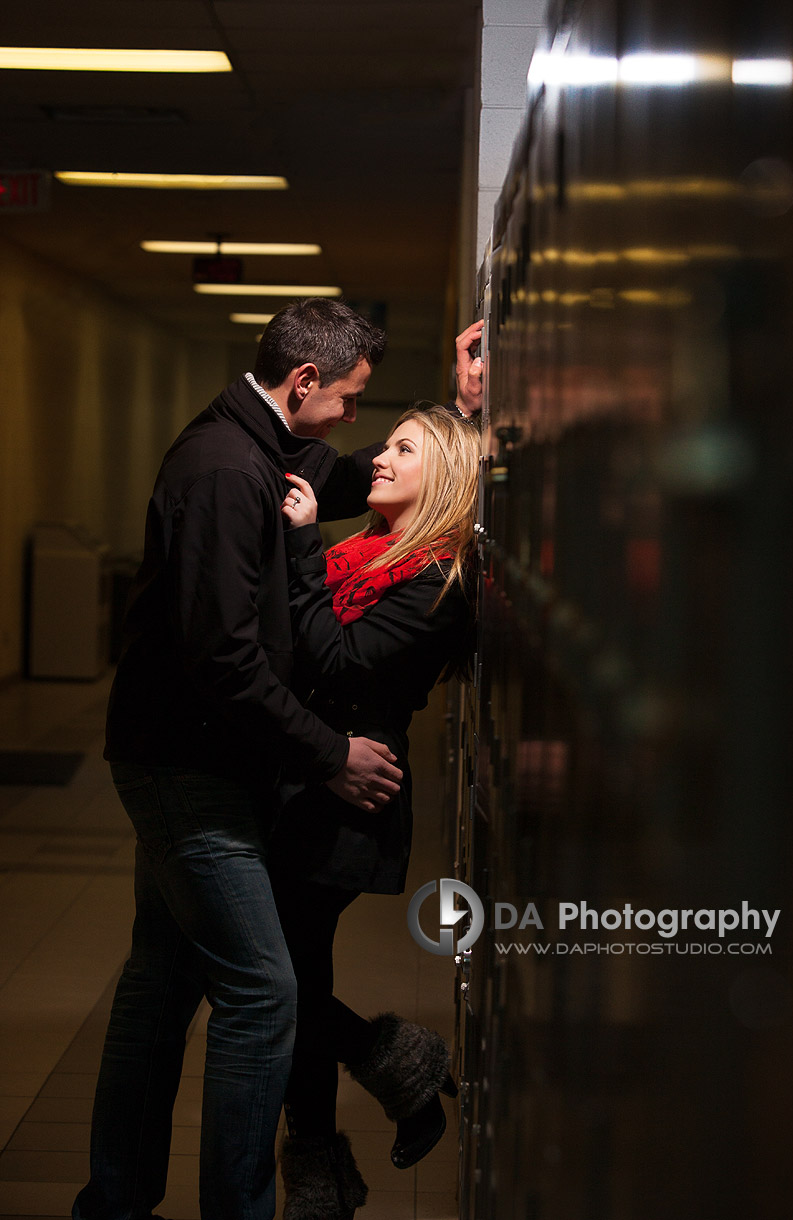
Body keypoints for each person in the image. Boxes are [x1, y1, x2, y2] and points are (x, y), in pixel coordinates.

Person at [73, 301, 484, 1220]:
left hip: (215, 760)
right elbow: (225, 657)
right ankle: (243, 1200)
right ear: (305, 384)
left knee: (161, 985)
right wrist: (328, 750)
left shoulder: (263, 451)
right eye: (348, 399)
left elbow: (368, 480)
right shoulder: (229, 471)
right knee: (264, 992)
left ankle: (117, 1201)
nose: (356, 428)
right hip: (194, 763)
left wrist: (474, 411)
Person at [269, 404, 481, 1220]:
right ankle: (326, 1154)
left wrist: (299, 546)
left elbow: (331, 653)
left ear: (448, 479)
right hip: (310, 776)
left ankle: (387, 1068)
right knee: (291, 977)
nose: (379, 460)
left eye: (402, 449)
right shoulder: (366, 555)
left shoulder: (436, 580)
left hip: (354, 790)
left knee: (273, 980)